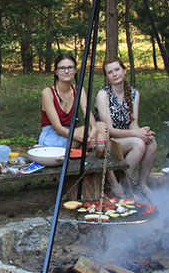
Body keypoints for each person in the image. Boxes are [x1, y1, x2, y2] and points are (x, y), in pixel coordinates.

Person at [40, 53, 122, 195]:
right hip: (52, 138)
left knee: (101, 127)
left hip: (72, 135)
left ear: (75, 70)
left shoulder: (78, 90)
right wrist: (86, 139)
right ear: (56, 71)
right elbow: (58, 128)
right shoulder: (48, 92)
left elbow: (87, 112)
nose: (66, 71)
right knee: (96, 138)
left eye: (70, 67)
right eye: (62, 68)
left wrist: (94, 129)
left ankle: (101, 185)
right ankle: (112, 182)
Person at [96, 56, 157, 197]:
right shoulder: (103, 94)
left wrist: (143, 133)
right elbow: (109, 130)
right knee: (138, 144)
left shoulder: (134, 93)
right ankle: (125, 185)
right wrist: (136, 134)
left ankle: (142, 184)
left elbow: (133, 124)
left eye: (117, 69)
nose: (114, 74)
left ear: (124, 71)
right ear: (107, 77)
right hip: (107, 143)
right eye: (110, 72)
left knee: (151, 143)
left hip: (126, 138)